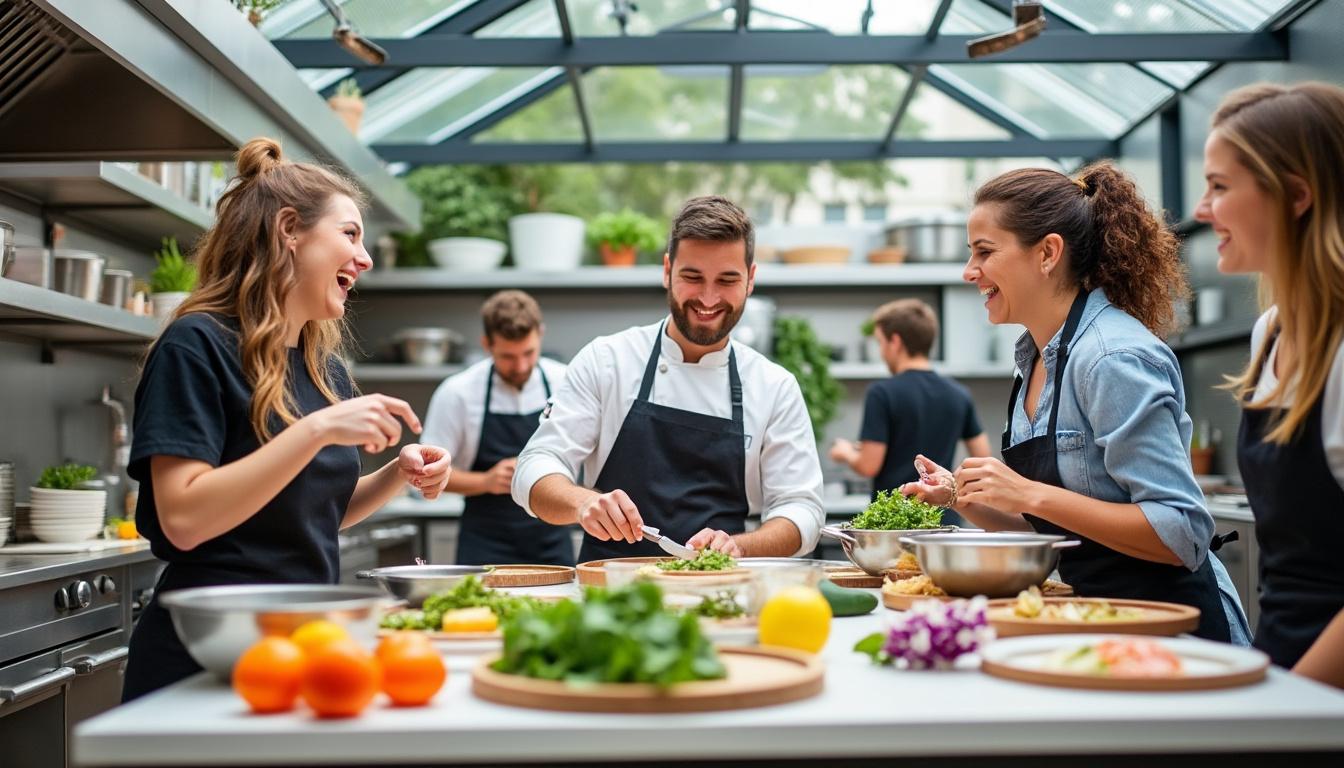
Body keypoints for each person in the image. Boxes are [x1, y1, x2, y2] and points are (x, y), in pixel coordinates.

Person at [122, 138, 451, 700]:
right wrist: (316, 431)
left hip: (303, 642)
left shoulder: (323, 369)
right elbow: (182, 518)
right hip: (208, 653)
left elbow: (317, 512)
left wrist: (398, 473)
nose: (366, 258)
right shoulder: (196, 345)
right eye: (350, 234)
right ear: (289, 230)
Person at [901, 161, 1240, 642]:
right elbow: (1053, 528)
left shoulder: (1111, 357)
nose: (969, 271)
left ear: (1047, 253)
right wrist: (963, 497)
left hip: (1173, 631)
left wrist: (1028, 493)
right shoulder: (1034, 360)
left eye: (984, 251)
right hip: (1099, 623)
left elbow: (1180, 532)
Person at [511, 196, 824, 560]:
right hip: (609, 588)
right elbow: (534, 468)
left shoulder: (774, 387)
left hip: (721, 586)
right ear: (667, 271)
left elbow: (802, 510)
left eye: (727, 280)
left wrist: (739, 546)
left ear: (750, 280)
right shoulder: (607, 360)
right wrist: (582, 503)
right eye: (692, 277)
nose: (708, 297)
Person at [1195, 81, 1344, 685]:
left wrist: (1296, 703)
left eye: (1219, 186)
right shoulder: (1271, 332)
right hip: (1282, 671)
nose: (1202, 210)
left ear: (1297, 194)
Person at [422, 290, 572, 565]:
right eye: (508, 357)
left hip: (552, 538)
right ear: (486, 344)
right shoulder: (457, 393)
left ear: (540, 334)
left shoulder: (565, 382)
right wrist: (486, 481)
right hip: (485, 540)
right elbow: (428, 473)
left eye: (529, 353)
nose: (521, 366)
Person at [829, 298, 990, 526]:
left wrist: (845, 452)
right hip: (943, 520)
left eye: (881, 342)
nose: (881, 352)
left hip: (896, 521)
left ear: (895, 342)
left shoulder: (882, 393)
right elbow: (982, 459)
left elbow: (868, 465)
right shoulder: (959, 393)